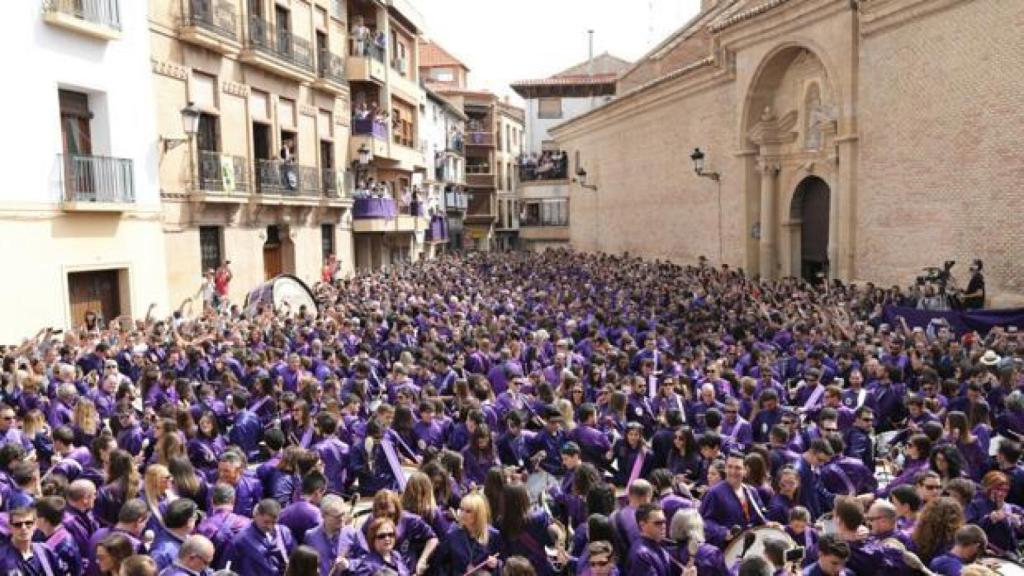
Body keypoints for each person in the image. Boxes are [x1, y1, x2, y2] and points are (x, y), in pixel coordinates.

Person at [699, 451, 769, 546]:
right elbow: (705, 521)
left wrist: (769, 524)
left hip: (748, 546)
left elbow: (759, 518)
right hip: (726, 549)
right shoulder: (714, 493)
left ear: (745, 471)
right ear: (725, 469)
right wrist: (723, 533)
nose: (733, 472)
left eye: (738, 468)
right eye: (730, 467)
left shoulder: (751, 492)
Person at [429, 492, 500, 576]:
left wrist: (495, 565)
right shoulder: (452, 535)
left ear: (478, 514)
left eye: (468, 511)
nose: (462, 514)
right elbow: (438, 564)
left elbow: (502, 563)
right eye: (461, 509)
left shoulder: (493, 535)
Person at [226, 498, 295, 575]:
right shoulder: (240, 540)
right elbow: (228, 570)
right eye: (266, 522)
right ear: (256, 515)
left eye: (274, 522)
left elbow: (294, 560)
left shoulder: (284, 533)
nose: (270, 527)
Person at [0, 507, 60, 574]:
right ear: (10, 527)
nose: (23, 528)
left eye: (28, 523)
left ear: (35, 525)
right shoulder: (2, 556)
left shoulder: (45, 551)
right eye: (18, 525)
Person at [626, 503, 672, 576]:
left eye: (664, 522)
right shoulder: (641, 554)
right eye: (658, 523)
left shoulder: (660, 545)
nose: (663, 526)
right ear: (642, 525)